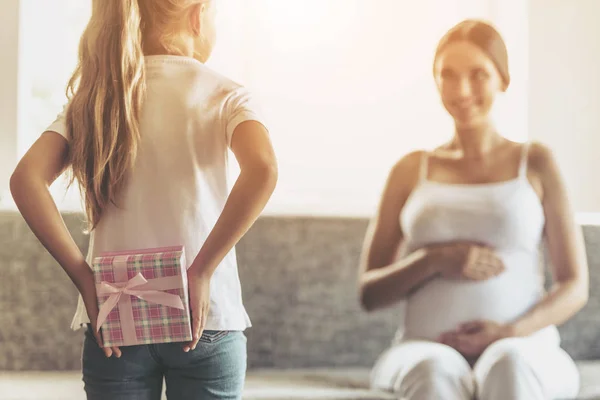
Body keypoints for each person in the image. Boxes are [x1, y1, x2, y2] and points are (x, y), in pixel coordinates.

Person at [10, 0, 278, 399]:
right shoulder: (225, 94)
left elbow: (26, 179)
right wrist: (201, 271)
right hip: (205, 317)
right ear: (197, 15)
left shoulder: (96, 99)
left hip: (117, 317)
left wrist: (85, 277)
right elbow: (263, 170)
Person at [358, 19, 588, 400]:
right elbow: (369, 294)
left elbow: (574, 286)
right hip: (423, 348)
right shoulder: (409, 169)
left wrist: (509, 332)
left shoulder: (536, 162)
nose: (461, 89)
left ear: (503, 79)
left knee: (506, 364)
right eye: (447, 75)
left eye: (478, 74)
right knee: (433, 371)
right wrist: (432, 260)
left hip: (525, 347)